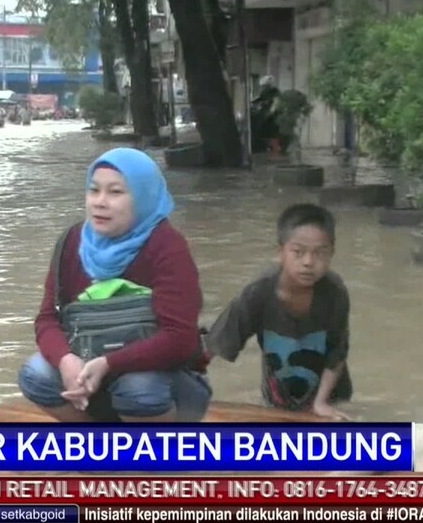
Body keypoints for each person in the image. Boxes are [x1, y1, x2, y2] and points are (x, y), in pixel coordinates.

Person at [18, 147, 211, 423]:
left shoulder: (167, 247)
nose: (100, 202)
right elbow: (47, 319)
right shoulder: (72, 243)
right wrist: (66, 360)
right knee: (35, 374)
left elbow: (180, 339)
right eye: (94, 190)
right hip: (93, 376)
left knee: (138, 390)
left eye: (115, 192)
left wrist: (109, 364)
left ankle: (154, 451)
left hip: (163, 383)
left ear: (143, 196)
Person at [204, 203, 353, 419]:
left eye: (320, 253)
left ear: (331, 255)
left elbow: (337, 353)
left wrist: (321, 403)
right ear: (280, 253)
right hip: (277, 395)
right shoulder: (258, 293)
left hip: (331, 396)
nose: (309, 262)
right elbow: (217, 342)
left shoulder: (335, 293)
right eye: (298, 252)